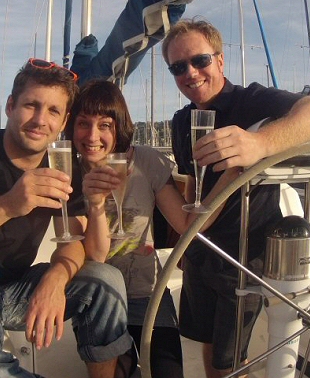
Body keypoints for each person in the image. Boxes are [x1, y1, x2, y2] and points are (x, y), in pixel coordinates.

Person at [0, 58, 133, 378]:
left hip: (18, 286)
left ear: (63, 122)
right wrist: (9, 204)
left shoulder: (61, 164)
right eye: (31, 105)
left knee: (106, 279)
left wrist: (55, 279)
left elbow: (73, 241)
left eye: (53, 111)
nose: (40, 120)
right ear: (10, 106)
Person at [161, 18, 310, 377]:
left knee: (230, 362)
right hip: (202, 251)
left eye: (200, 60)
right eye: (178, 67)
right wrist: (186, 244)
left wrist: (260, 143)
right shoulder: (182, 120)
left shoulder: (251, 101)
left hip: (243, 257)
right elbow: (193, 184)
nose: (191, 73)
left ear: (220, 60)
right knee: (207, 345)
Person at [63, 79, 237, 378]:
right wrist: (95, 203)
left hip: (147, 294)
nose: (92, 136)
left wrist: (231, 176)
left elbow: (186, 224)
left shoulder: (145, 162)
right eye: (83, 123)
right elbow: (96, 257)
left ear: (119, 127)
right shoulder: (67, 174)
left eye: (105, 125)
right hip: (99, 299)